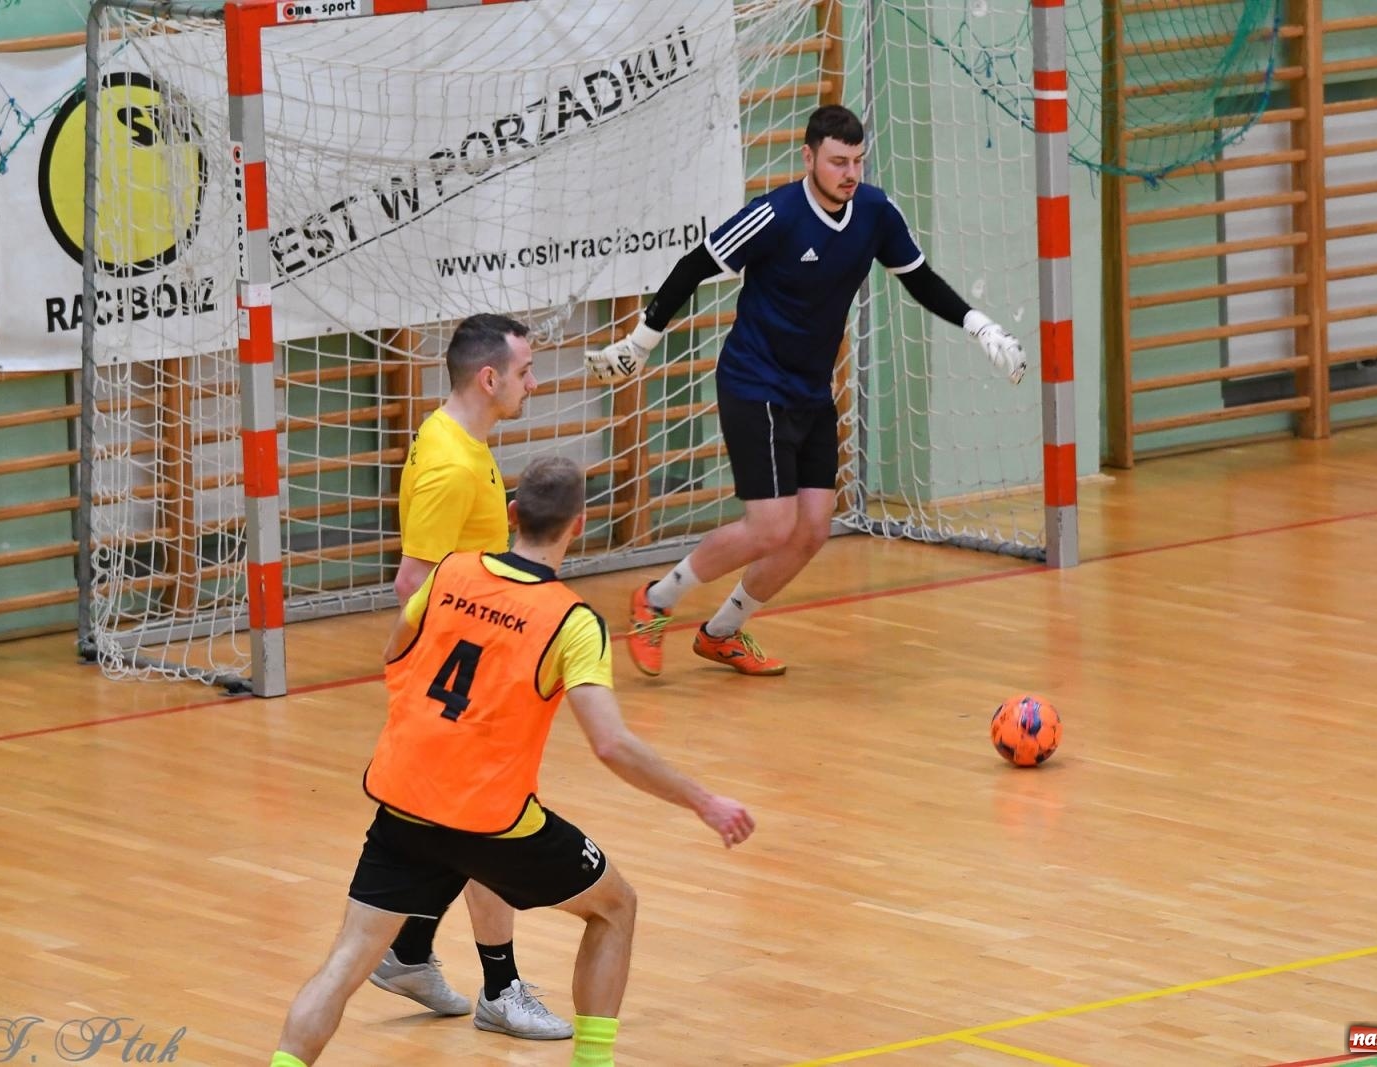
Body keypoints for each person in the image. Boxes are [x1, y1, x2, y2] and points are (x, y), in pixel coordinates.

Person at [269, 456, 755, 1067]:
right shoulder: (573, 623)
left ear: (511, 514)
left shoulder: (451, 571)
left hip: (405, 798)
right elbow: (611, 745)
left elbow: (397, 651)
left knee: (344, 963)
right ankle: (593, 1062)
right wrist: (705, 802)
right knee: (615, 907)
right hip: (490, 821)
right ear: (577, 525)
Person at [587, 104, 1028, 678]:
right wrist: (640, 344)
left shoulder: (874, 211)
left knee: (812, 529)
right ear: (809, 158)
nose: (850, 173)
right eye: (838, 161)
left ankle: (721, 634)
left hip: (812, 391)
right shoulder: (774, 214)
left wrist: (980, 326)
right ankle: (656, 599)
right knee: (771, 526)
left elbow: (917, 278)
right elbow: (693, 266)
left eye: (858, 162)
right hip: (755, 383)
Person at [371, 312, 572, 1040]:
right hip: (459, 685)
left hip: (474, 673)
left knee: (456, 828)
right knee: (489, 824)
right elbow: (412, 584)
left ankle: (410, 951)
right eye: (525, 371)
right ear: (489, 378)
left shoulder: (461, 439)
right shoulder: (453, 464)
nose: (534, 382)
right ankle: (500, 986)